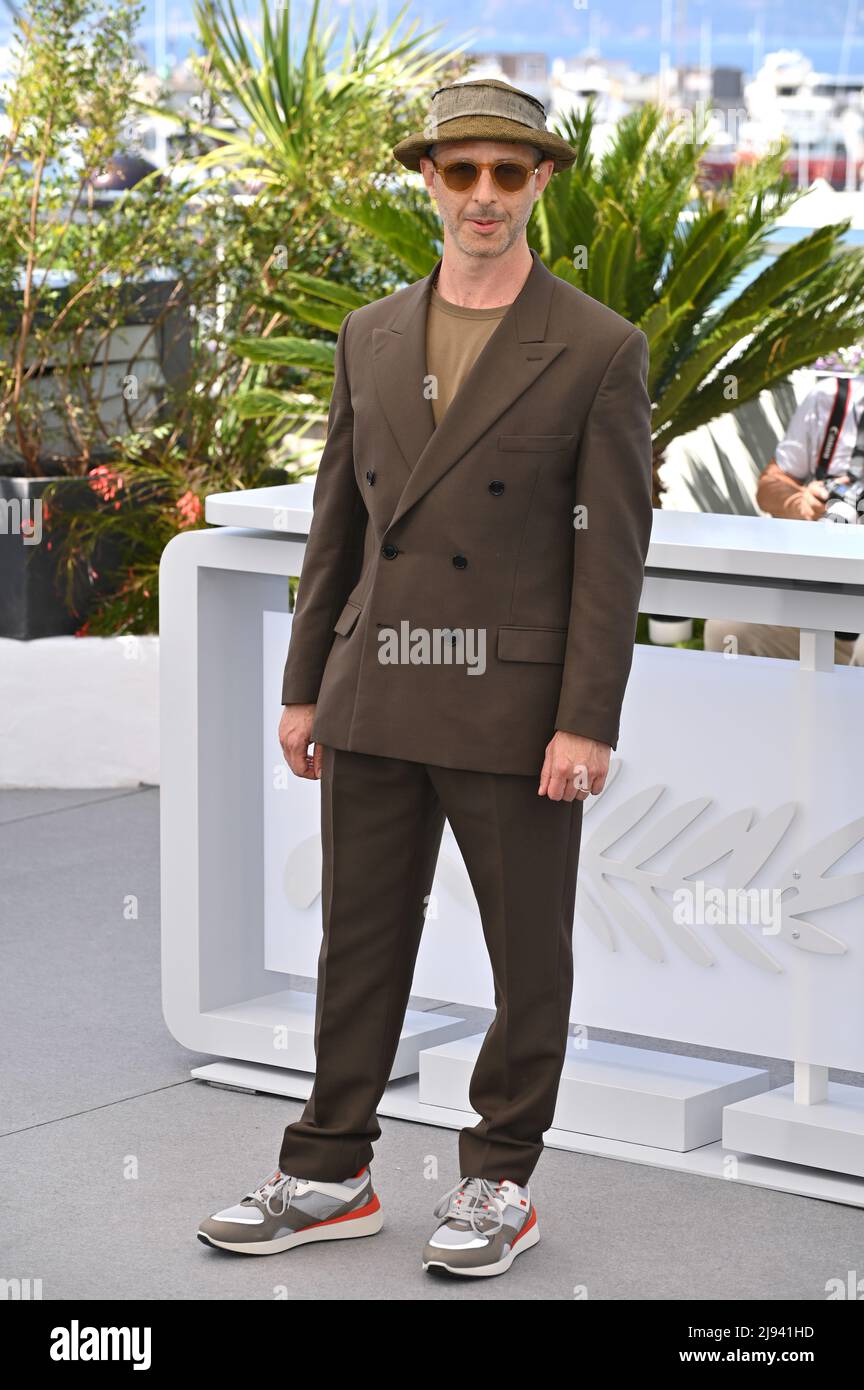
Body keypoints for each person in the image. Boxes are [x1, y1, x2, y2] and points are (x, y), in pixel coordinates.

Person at [198, 79, 654, 1278]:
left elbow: (611, 554)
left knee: (527, 953)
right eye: (464, 173)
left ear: (542, 180)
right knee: (357, 940)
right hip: (376, 685)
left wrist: (585, 718)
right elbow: (334, 527)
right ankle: (329, 1169)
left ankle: (500, 1179)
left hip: (512, 704)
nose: (486, 196)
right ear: (431, 182)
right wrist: (305, 685)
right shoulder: (370, 333)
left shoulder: (601, 347)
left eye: (510, 173)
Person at [703, 373, 864, 663]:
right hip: (819, 600)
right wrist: (800, 501)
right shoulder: (833, 398)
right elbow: (769, 488)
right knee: (728, 631)